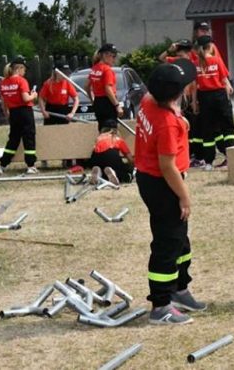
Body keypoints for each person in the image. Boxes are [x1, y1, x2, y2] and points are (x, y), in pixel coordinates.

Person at [134, 58, 206, 325]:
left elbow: (165, 114)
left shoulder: (149, 101)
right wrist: (184, 196)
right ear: (179, 93)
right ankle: (160, 304)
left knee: (180, 239)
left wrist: (180, 119)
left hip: (153, 178)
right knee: (167, 243)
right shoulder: (166, 123)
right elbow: (167, 166)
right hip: (163, 184)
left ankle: (179, 288)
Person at [191, 35, 234, 170]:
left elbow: (194, 85)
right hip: (219, 95)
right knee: (227, 127)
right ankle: (231, 157)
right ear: (210, 47)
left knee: (208, 129)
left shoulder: (196, 64)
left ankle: (209, 162)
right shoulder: (216, 60)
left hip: (204, 97)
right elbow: (224, 79)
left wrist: (194, 102)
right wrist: (228, 88)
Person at [159, 40, 202, 163]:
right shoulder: (176, 63)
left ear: (188, 54)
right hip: (179, 99)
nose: (179, 58)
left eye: (182, 55)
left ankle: (194, 153)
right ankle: (186, 152)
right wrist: (169, 49)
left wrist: (194, 101)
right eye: (178, 55)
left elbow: (194, 84)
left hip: (188, 98)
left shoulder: (192, 64)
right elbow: (161, 58)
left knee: (192, 127)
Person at [0, 57, 38, 174]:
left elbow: (3, 102)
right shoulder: (21, 81)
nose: (24, 72)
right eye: (24, 69)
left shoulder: (3, 82)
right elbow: (25, 98)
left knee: (13, 139)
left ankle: (3, 164)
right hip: (25, 112)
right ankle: (30, 165)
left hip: (13, 113)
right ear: (19, 69)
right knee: (28, 137)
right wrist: (33, 95)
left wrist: (7, 114)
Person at [86, 43, 123, 131]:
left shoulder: (95, 68)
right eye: (113, 56)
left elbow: (86, 86)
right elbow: (108, 89)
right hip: (108, 103)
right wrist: (117, 105)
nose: (114, 60)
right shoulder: (107, 70)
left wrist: (92, 100)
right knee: (111, 131)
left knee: (102, 129)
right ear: (105, 55)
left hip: (98, 103)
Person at [88, 119, 134, 186]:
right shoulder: (117, 139)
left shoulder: (99, 138)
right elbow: (130, 159)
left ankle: (99, 173)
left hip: (95, 157)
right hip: (110, 154)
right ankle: (114, 172)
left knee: (104, 169)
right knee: (126, 172)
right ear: (115, 130)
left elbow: (95, 149)